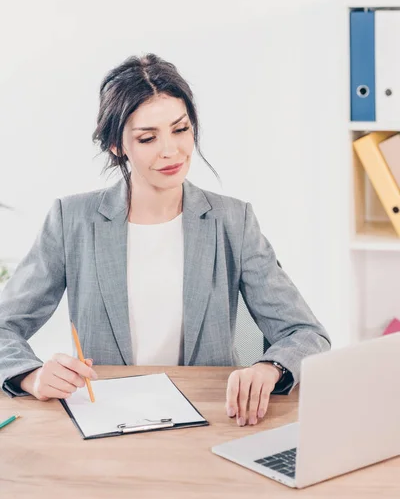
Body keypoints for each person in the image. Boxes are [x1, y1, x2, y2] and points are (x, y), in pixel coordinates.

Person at [0, 53, 330, 426]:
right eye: (147, 138)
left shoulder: (232, 220)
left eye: (180, 129)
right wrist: (31, 375)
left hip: (210, 418)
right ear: (116, 145)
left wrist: (269, 367)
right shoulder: (71, 220)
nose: (171, 150)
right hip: (106, 419)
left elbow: (304, 332)